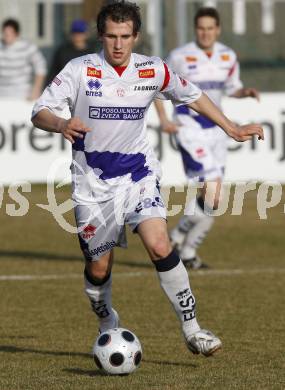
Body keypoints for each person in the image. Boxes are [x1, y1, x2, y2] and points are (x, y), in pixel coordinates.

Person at [31, 2, 263, 357]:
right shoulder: (80, 70)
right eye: (111, 36)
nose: (118, 45)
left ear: (136, 36)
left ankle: (193, 329)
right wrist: (61, 123)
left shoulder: (153, 70)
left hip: (139, 174)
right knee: (98, 267)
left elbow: (194, 96)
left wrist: (231, 127)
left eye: (125, 37)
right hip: (92, 185)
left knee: (158, 244)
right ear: (101, 36)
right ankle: (108, 323)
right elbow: (40, 111)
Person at [155, 7, 260, 269]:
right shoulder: (180, 56)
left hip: (217, 130)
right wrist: (165, 120)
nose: (205, 33)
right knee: (213, 194)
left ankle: (185, 248)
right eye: (201, 28)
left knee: (214, 199)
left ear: (218, 29)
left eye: (210, 28)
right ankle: (180, 239)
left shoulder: (228, 55)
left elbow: (231, 87)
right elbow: (157, 87)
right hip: (190, 127)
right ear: (195, 29)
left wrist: (244, 92)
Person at [0, 18, 47, 100]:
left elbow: (41, 67)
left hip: (22, 93)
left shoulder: (28, 47)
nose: (7, 36)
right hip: (2, 93)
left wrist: (36, 90)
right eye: (5, 33)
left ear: (17, 34)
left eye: (10, 34)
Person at [46, 19, 95, 85]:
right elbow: (53, 75)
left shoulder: (93, 53)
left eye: (80, 32)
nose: (77, 35)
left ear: (87, 34)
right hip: (65, 88)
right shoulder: (62, 51)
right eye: (75, 32)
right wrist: (58, 86)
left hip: (86, 88)